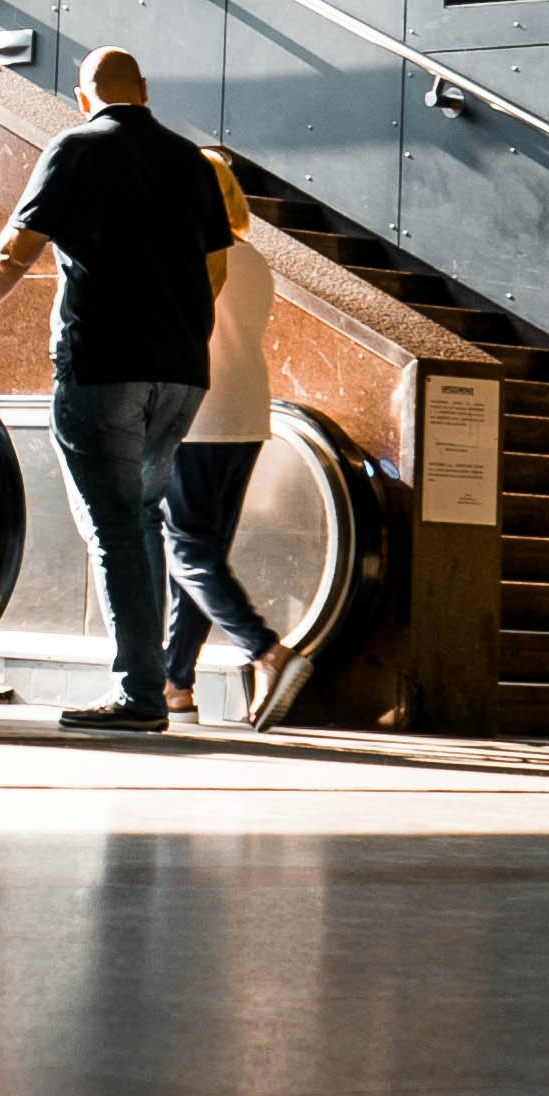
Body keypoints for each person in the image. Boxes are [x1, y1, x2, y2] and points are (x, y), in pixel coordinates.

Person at [0, 42, 232, 732]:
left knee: (114, 527)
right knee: (143, 520)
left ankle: (139, 693)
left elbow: (15, 250)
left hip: (103, 365)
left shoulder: (75, 148)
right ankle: (149, 683)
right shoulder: (190, 160)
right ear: (144, 90)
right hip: (181, 372)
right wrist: (176, 327)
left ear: (81, 96)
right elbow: (215, 269)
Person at [162, 150, 316, 732]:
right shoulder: (252, 258)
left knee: (187, 551)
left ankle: (267, 652)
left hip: (198, 415)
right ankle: (176, 682)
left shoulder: (189, 252)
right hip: (248, 413)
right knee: (201, 554)